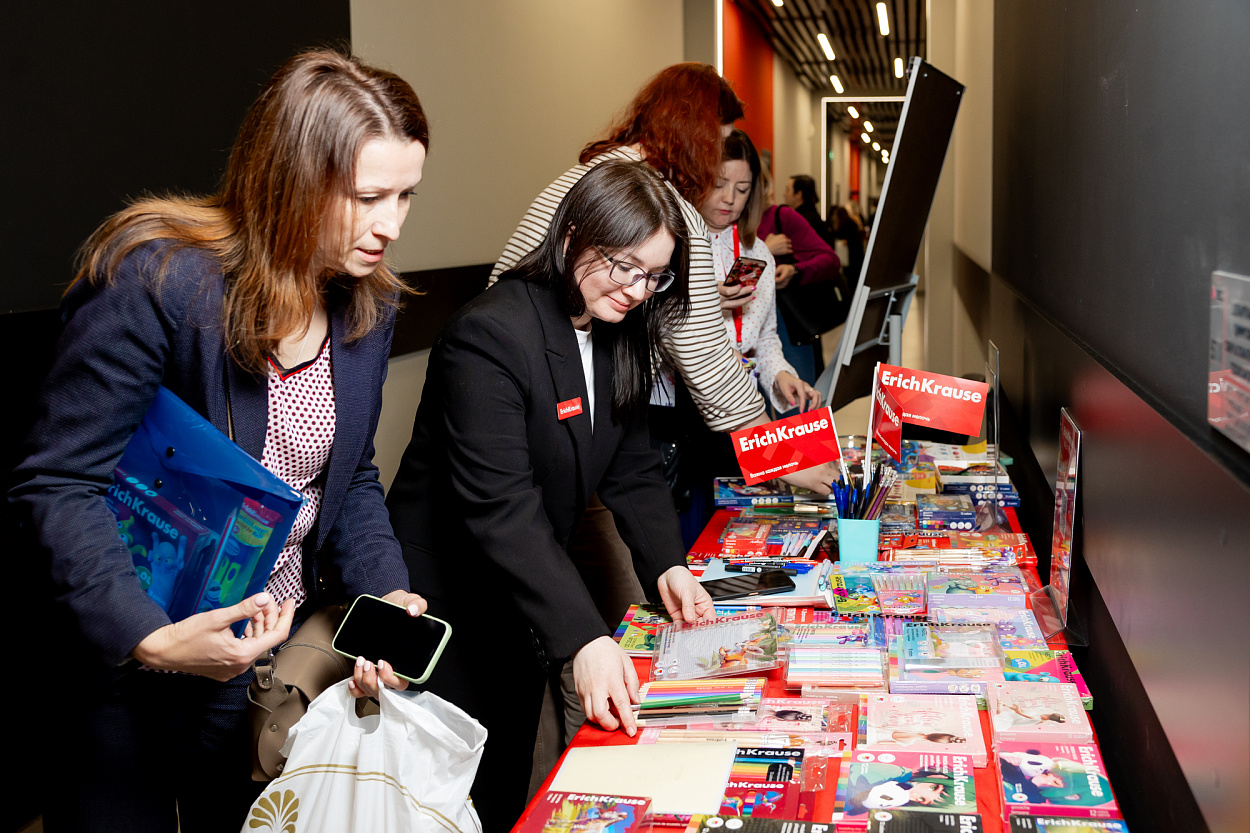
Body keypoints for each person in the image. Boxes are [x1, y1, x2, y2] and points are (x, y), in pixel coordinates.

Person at [9, 49, 429, 831]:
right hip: (132, 656)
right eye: (369, 196)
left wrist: (386, 596)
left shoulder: (367, 305)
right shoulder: (158, 279)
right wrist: (150, 637)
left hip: (260, 663)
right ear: (293, 177)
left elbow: (350, 477)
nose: (392, 224)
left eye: (406, 194)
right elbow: (59, 484)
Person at [387, 159, 718, 831]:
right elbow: (502, 507)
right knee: (442, 801)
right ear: (571, 238)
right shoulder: (490, 333)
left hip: (520, 600)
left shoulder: (618, 328)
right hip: (444, 603)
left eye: (654, 276)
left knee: (507, 785)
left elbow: (631, 463)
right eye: (624, 266)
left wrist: (668, 564)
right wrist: (585, 636)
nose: (636, 290)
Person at [698, 128, 820, 414]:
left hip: (744, 398)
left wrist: (781, 375)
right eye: (719, 184)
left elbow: (764, 338)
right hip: (690, 410)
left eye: (742, 189)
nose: (730, 198)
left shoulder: (757, 252)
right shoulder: (673, 246)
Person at [757, 166, 841, 387]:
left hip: (787, 328)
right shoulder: (719, 225)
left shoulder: (781, 217)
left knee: (799, 401)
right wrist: (764, 251)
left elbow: (830, 260)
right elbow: (730, 286)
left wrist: (795, 270)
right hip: (740, 338)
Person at [783, 174, 837, 249]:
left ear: (798, 194)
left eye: (788, 190)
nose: (784, 194)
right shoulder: (816, 219)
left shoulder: (801, 222)